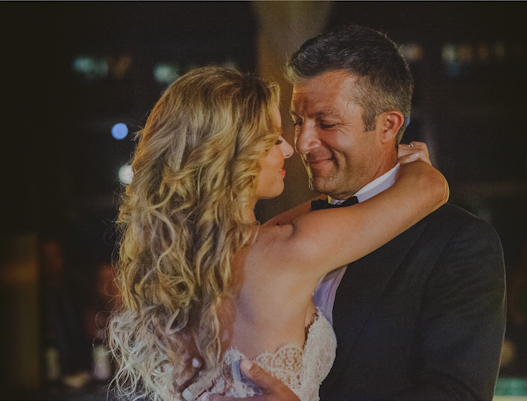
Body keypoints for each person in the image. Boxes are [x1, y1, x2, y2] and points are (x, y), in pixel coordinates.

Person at [186, 25, 506, 401]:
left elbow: (457, 394)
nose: (302, 142)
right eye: (298, 121)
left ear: (388, 125)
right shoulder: (281, 233)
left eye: (326, 123)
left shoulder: (456, 241)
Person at [109, 66, 447, 401]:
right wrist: (413, 162)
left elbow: (317, 209)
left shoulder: (179, 262)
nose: (289, 148)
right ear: (232, 155)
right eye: (272, 139)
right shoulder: (291, 249)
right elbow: (431, 188)